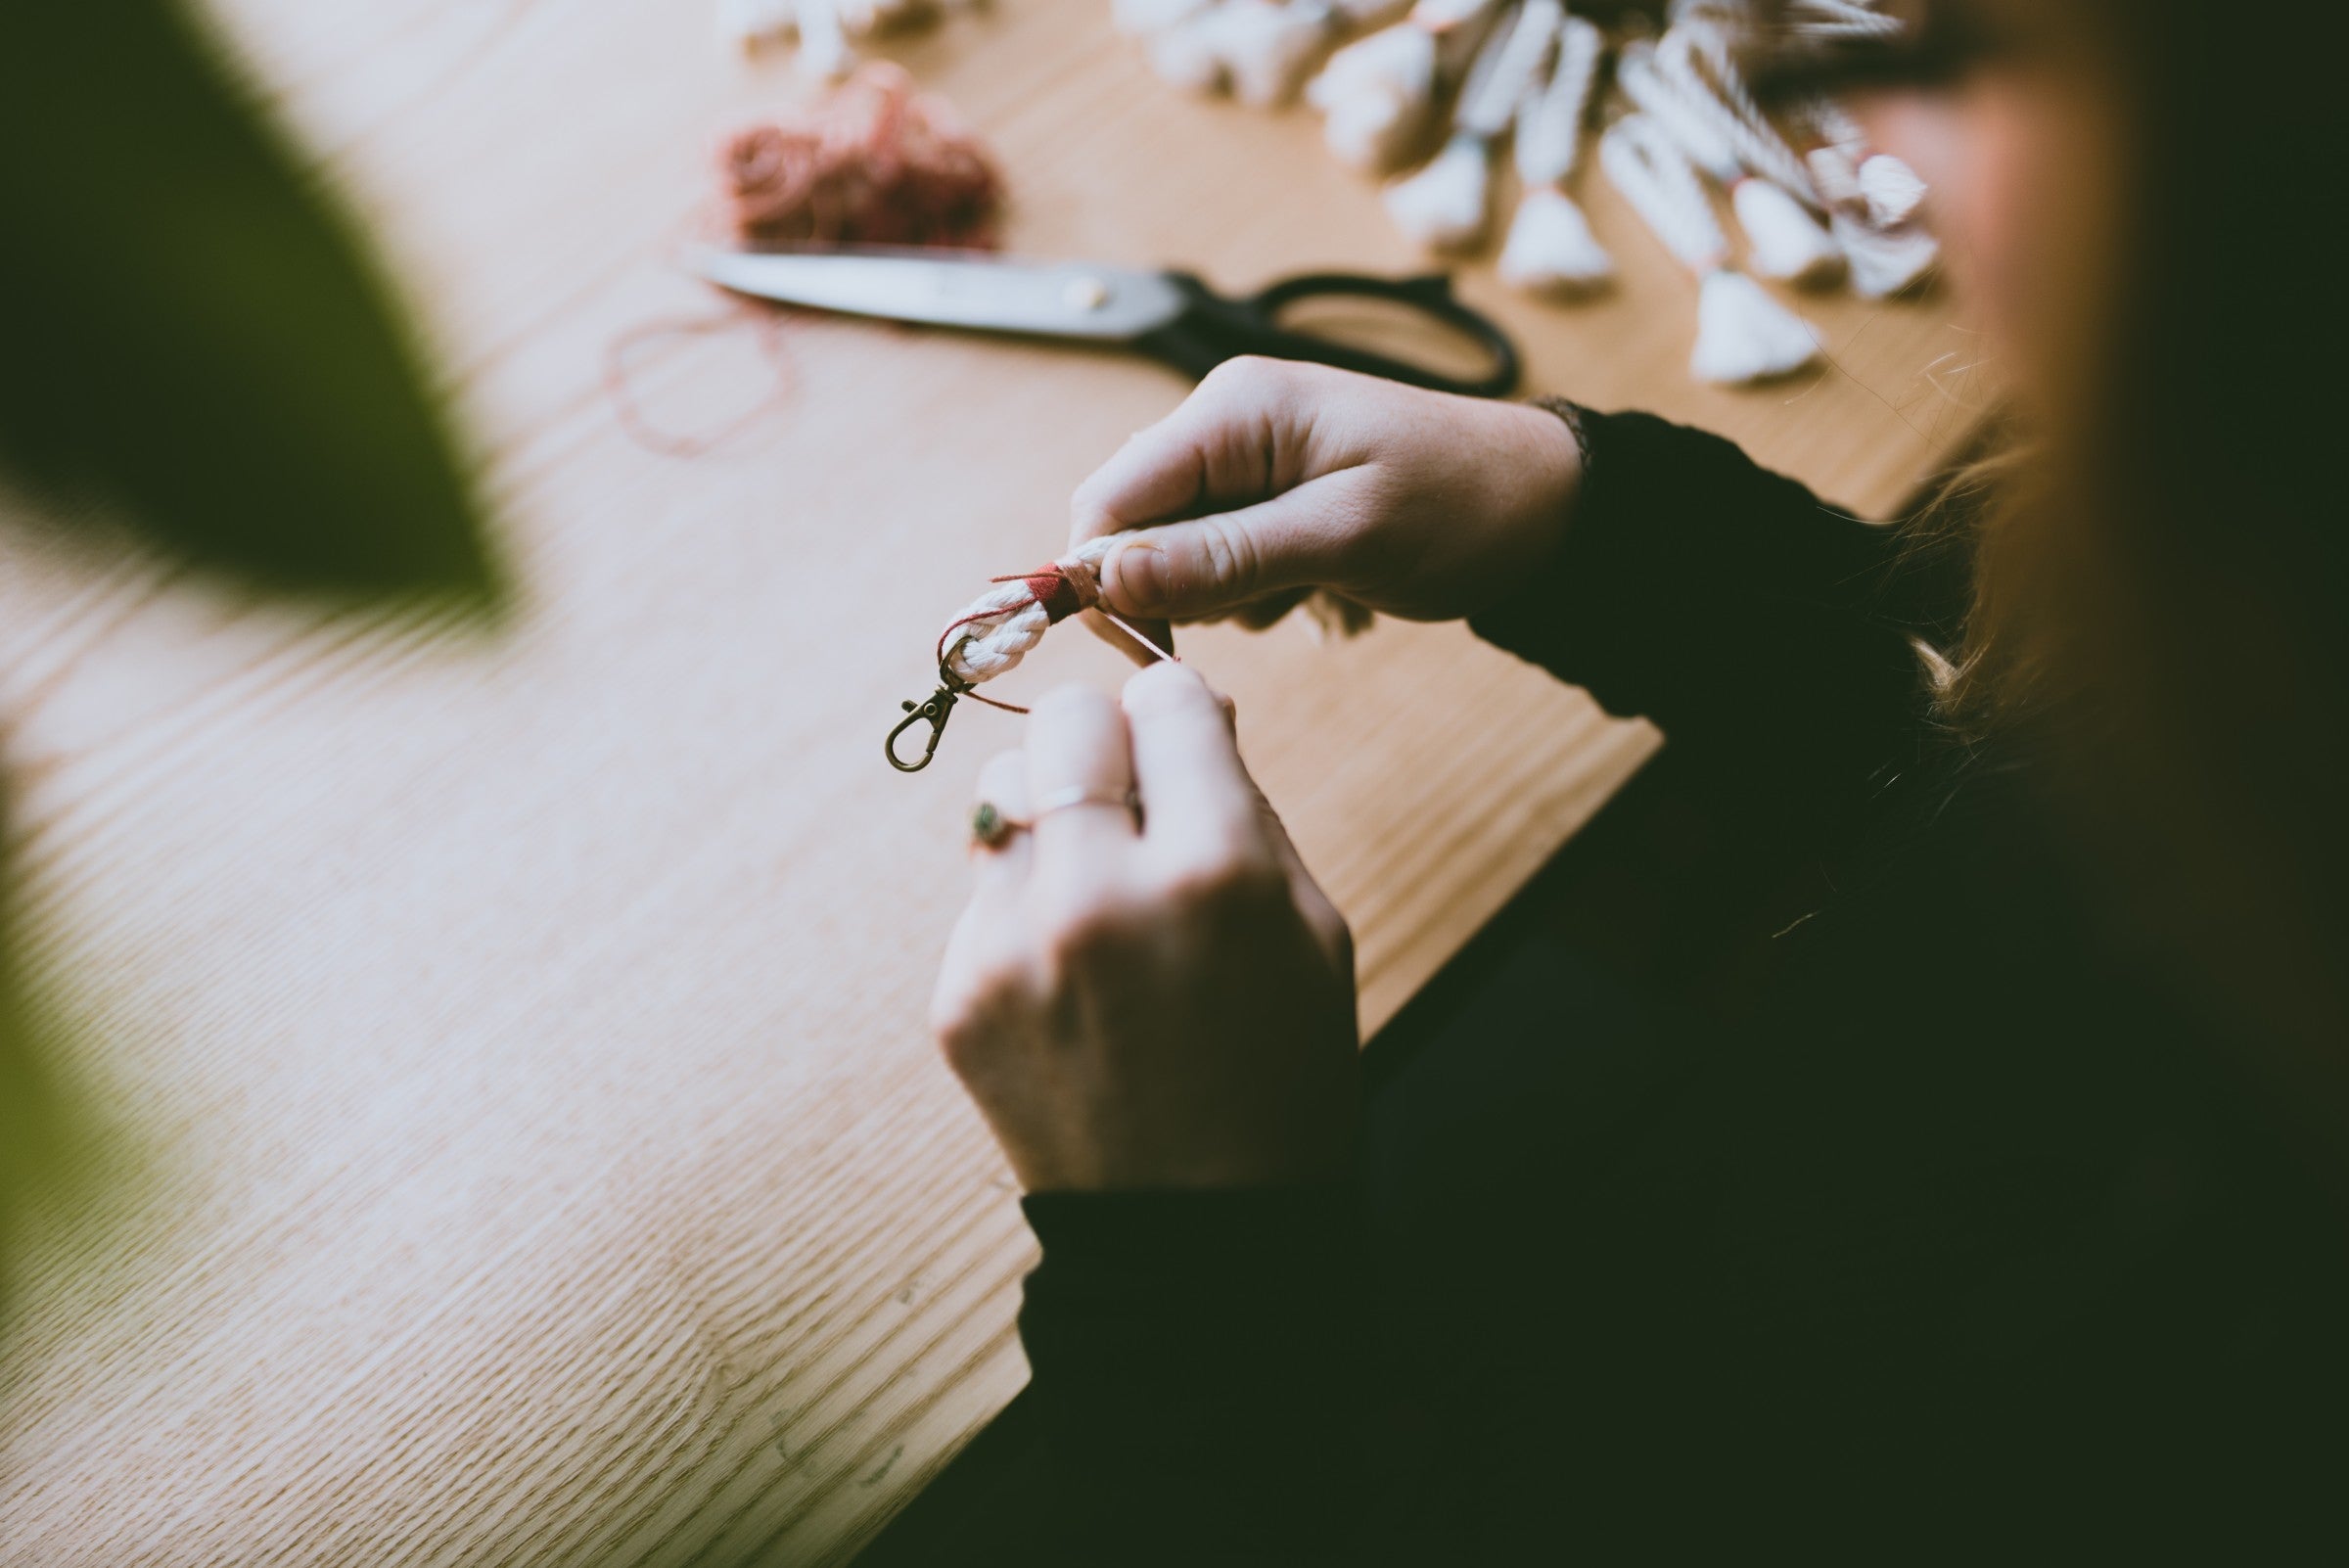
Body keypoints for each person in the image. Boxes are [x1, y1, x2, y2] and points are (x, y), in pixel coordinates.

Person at [925, 0, 2347, 1556]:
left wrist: (1184, 1276)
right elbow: (1983, 767)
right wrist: (1583, 521)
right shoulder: (2253, 635)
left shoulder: (2212, 1348)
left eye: (1953, 63)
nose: (1876, 156)